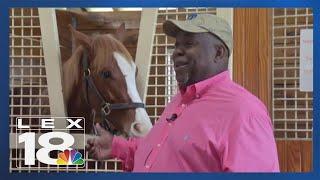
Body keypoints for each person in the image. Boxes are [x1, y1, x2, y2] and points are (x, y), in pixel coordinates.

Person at [86, 14, 280, 172]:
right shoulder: (180, 101)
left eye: (188, 44)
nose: (176, 52)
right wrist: (116, 147)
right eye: (176, 45)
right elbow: (159, 154)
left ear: (219, 53)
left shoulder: (244, 113)